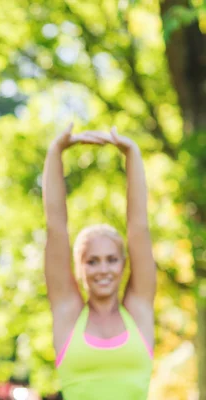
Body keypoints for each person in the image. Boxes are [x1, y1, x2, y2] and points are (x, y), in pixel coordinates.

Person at [42, 125, 156, 399]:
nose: (103, 269)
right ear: (79, 269)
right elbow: (55, 226)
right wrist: (56, 150)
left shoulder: (138, 311)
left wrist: (132, 153)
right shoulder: (68, 314)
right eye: (92, 261)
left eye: (111, 260)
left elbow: (138, 227)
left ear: (124, 265)